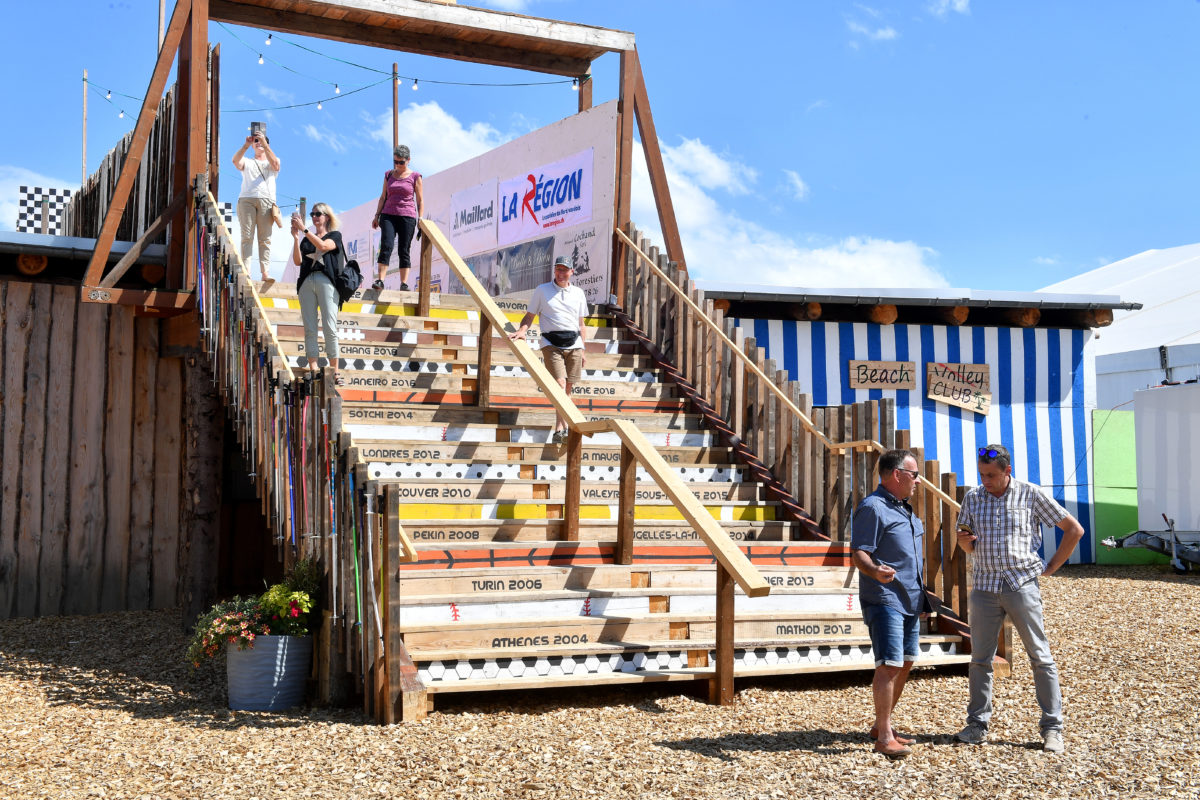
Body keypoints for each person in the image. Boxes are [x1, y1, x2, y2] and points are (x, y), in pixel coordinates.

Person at [954, 444, 1084, 754]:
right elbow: (967, 546)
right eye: (982, 474)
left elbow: (1074, 530)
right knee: (980, 659)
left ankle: (1052, 729)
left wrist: (1052, 566)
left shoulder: (1031, 493)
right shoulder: (973, 497)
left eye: (991, 475)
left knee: (1040, 657)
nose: (985, 480)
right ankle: (977, 725)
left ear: (1007, 471)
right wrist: (963, 542)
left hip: (1021, 585)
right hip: (984, 587)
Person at [850, 449, 928, 759]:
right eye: (915, 474)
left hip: (910, 597)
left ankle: (881, 726)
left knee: (905, 661)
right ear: (897, 474)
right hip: (885, 598)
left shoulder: (904, 508)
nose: (918, 481)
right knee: (889, 664)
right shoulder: (873, 507)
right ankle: (883, 737)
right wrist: (874, 570)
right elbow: (859, 552)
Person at [508, 256, 589, 445]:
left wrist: (583, 349)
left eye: (565, 270)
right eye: (558, 269)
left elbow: (581, 324)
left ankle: (560, 428)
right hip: (551, 342)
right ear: (554, 270)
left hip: (575, 343)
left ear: (572, 272)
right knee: (560, 384)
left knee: (567, 389)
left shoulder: (578, 293)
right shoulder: (542, 290)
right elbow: (530, 316)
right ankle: (563, 428)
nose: (561, 273)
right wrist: (522, 330)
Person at [291, 203, 344, 386]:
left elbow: (323, 245)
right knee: (310, 328)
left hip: (327, 282)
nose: (314, 217)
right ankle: (313, 368)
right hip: (306, 282)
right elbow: (297, 261)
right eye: (312, 214)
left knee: (330, 327)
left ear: (327, 216)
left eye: (318, 214)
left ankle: (335, 371)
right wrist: (296, 238)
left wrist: (304, 229)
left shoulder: (334, 235)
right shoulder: (306, 239)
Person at [370, 144, 423, 292]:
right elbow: (383, 197)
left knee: (404, 249)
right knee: (386, 245)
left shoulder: (415, 176)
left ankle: (404, 283)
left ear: (408, 160)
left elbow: (420, 200)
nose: (398, 165)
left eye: (401, 162)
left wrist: (420, 218)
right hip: (388, 215)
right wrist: (377, 215)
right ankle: (380, 280)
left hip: (408, 216)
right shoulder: (388, 175)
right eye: (395, 161)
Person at [232, 128, 281, 282]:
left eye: (262, 141)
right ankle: (246, 270)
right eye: (256, 141)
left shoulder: (273, 160)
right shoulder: (248, 161)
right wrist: (246, 145)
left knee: (265, 238)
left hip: (267, 200)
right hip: (246, 199)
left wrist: (265, 144)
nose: (259, 143)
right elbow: (235, 161)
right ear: (253, 145)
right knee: (247, 236)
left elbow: (276, 165)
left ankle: (265, 273)